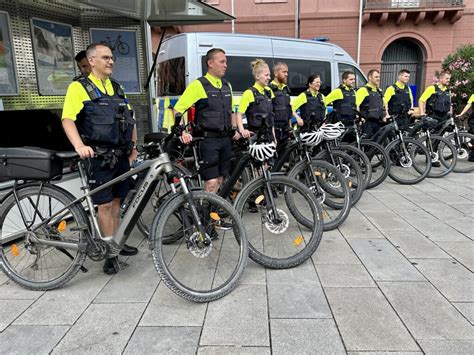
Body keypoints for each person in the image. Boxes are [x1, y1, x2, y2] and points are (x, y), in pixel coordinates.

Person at [62, 43, 138, 275]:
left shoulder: (117, 87)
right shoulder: (79, 88)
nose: (111, 61)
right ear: (92, 61)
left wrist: (134, 148)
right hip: (98, 157)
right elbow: (67, 119)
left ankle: (114, 245)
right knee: (104, 205)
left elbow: (130, 118)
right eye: (105, 57)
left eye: (112, 57)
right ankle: (109, 255)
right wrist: (79, 146)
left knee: (116, 204)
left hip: (121, 156)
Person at [173, 48, 248, 196]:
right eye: (222, 62)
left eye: (226, 62)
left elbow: (231, 111)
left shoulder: (227, 85)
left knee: (220, 179)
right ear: (210, 63)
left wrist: (235, 130)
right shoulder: (199, 85)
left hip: (225, 140)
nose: (225, 65)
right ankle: (204, 216)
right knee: (211, 181)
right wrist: (183, 131)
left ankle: (212, 214)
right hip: (208, 141)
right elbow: (178, 109)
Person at [236, 59, 276, 142]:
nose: (269, 78)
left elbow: (270, 119)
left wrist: (274, 138)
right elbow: (239, 114)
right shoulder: (249, 93)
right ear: (257, 76)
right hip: (256, 136)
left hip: (269, 136)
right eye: (266, 75)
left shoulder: (269, 92)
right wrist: (242, 130)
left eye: (269, 75)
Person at [356, 69, 387, 138]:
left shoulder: (379, 91)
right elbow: (356, 104)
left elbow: (384, 105)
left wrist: (385, 115)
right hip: (367, 123)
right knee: (367, 145)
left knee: (377, 144)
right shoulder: (363, 90)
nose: (378, 79)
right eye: (376, 77)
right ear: (370, 77)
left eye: (379, 77)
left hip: (378, 122)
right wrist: (359, 118)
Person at [268, 62, 292, 145]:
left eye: (287, 72)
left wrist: (290, 127)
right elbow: (269, 113)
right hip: (275, 131)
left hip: (285, 130)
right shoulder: (269, 89)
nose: (287, 74)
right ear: (275, 73)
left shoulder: (285, 89)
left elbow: (288, 109)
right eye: (284, 72)